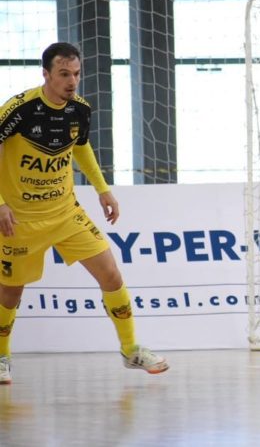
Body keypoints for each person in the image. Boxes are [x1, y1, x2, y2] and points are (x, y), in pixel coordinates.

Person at [0, 42, 168, 385]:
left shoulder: (80, 109)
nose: (72, 81)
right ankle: (2, 357)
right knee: (10, 293)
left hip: (65, 213)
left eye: (76, 74)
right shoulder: (19, 109)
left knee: (111, 275)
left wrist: (103, 189)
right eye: (64, 74)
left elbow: (81, 147)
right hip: (21, 219)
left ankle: (131, 349)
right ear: (46, 74)